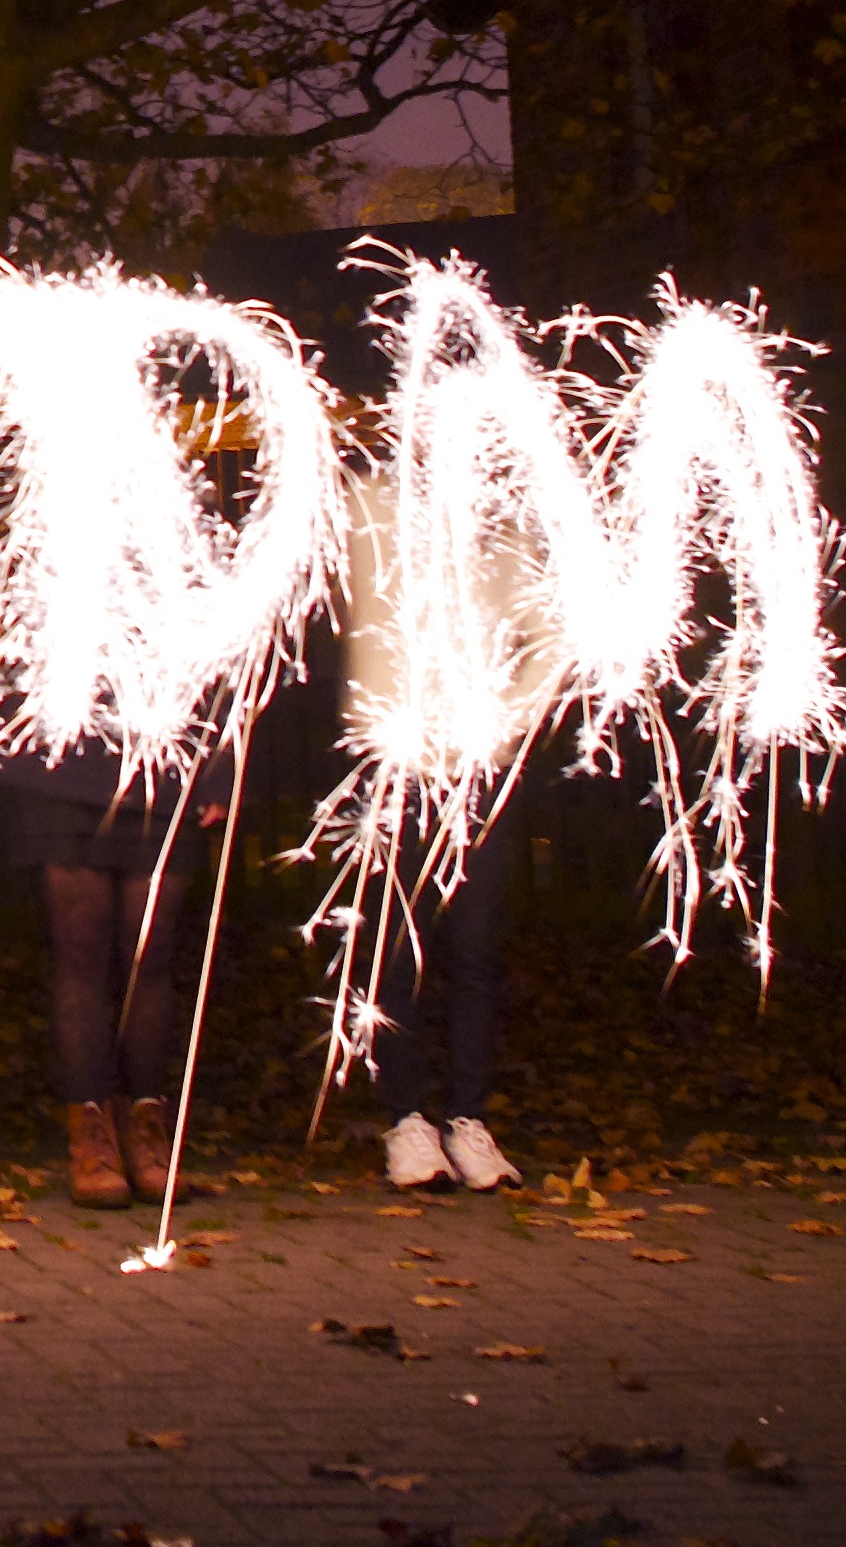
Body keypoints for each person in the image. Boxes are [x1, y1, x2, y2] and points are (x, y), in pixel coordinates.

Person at [339, 459, 533, 1194]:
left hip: (478, 773)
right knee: (395, 955)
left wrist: (501, 726)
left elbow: (545, 637)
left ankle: (468, 1119)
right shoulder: (370, 509)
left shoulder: (503, 529)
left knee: (477, 950)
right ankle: (406, 1121)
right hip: (392, 769)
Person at [0, 730, 224, 1208]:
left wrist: (220, 773)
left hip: (167, 764)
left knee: (151, 953)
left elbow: (229, 670)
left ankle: (145, 1124)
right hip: (65, 763)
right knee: (80, 951)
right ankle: (91, 1131)